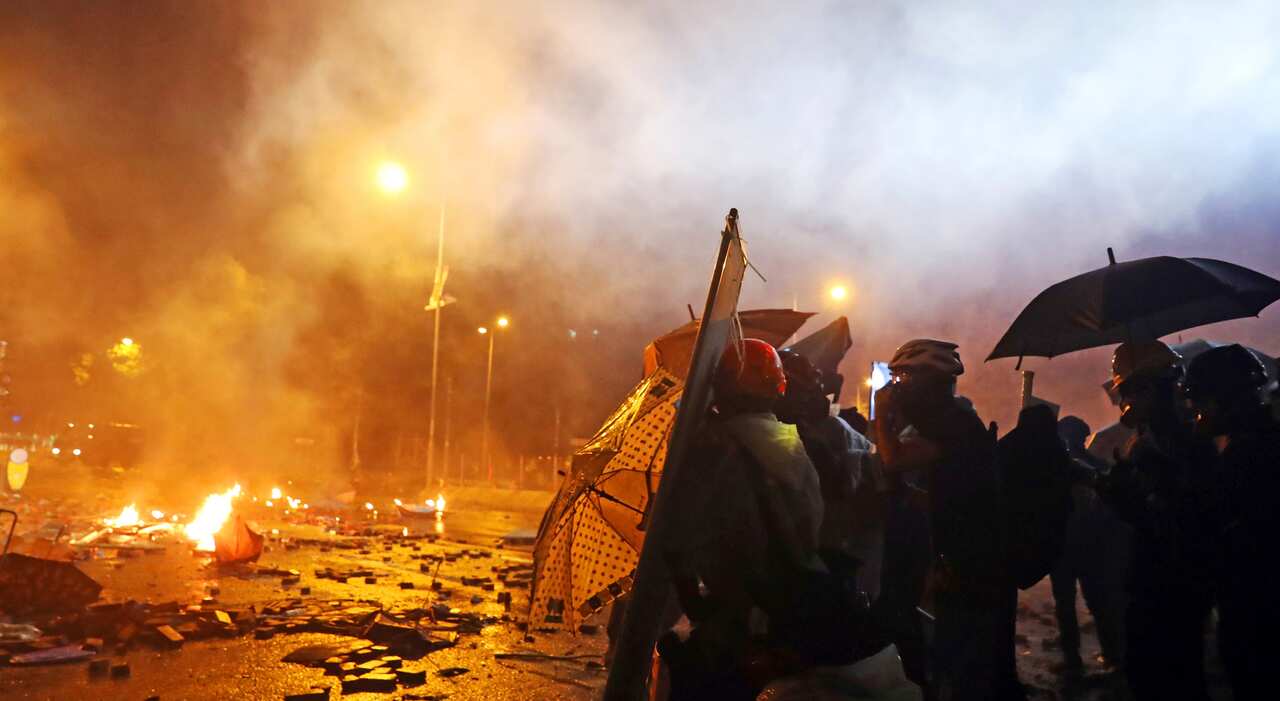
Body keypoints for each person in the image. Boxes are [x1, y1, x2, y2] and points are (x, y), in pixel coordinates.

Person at [657, 338, 830, 699]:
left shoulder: (711, 447)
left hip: (731, 620)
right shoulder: (792, 445)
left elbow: (679, 540)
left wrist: (697, 606)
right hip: (790, 612)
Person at [870, 339, 1008, 701]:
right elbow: (953, 492)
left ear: (923, 382)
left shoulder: (951, 422)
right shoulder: (956, 421)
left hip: (971, 566)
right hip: (968, 560)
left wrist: (880, 415)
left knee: (960, 669)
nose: (894, 389)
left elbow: (894, 459)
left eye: (899, 381)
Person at [1100, 340, 1216, 701]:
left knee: (1162, 680)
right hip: (1172, 588)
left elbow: (1170, 524)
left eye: (1127, 391)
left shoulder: (1175, 445)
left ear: (1147, 388)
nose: (1124, 403)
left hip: (1166, 590)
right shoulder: (1170, 439)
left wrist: (1125, 496)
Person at [1183, 344, 1280, 701]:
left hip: (1256, 613)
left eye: (1199, 400)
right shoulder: (1258, 445)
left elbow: (1220, 531)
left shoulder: (1250, 456)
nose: (1193, 411)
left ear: (1223, 399)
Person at [775, 349, 884, 597]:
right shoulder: (803, 432)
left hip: (832, 554)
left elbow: (839, 486)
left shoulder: (823, 433)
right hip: (829, 552)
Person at [1049, 415, 1130, 676]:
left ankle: (1079, 658)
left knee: (1074, 603)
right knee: (1095, 601)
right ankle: (1110, 655)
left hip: (1070, 547)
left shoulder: (1062, 468)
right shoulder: (1093, 466)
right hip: (1086, 546)